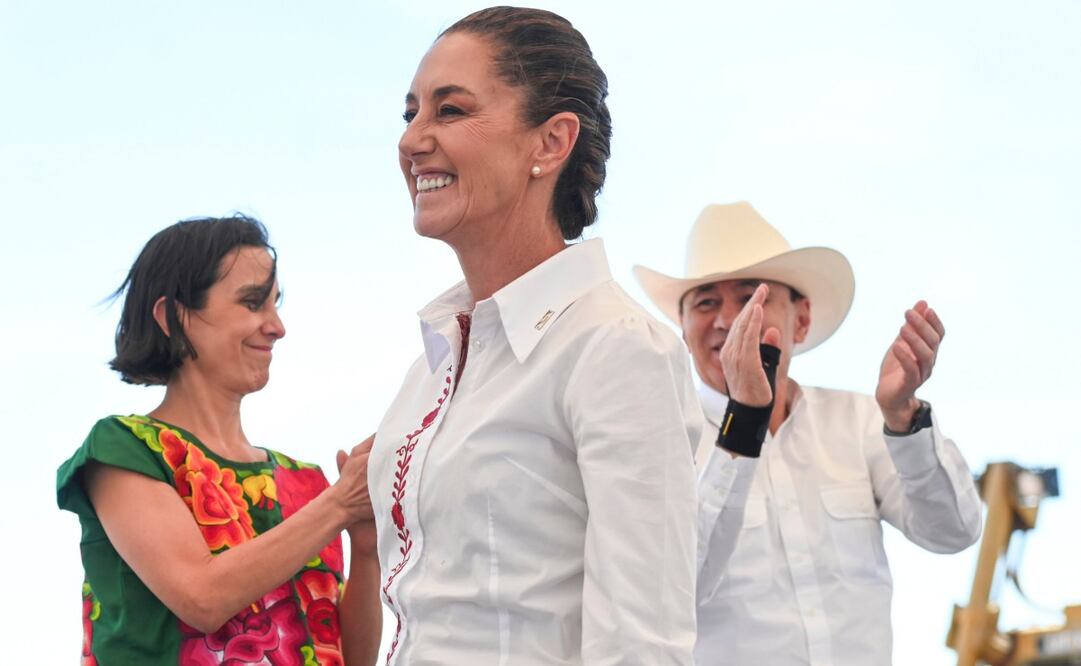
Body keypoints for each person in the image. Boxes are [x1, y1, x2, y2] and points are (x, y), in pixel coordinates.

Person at [369, 7, 705, 664]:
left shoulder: (614, 347)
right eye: (409, 114)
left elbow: (641, 642)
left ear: (550, 143)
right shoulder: (431, 368)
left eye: (450, 110)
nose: (412, 139)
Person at [633, 201, 983, 665]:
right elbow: (668, 595)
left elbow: (954, 531)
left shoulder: (859, 420)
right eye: (706, 302)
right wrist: (745, 421)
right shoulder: (661, 441)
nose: (729, 320)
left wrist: (903, 416)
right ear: (683, 329)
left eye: (751, 297)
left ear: (800, 320)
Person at [56, 215, 382, 665]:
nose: (277, 326)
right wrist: (341, 505)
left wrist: (366, 550)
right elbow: (202, 598)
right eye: (252, 303)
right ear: (174, 317)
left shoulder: (309, 484)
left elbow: (350, 659)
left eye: (274, 304)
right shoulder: (124, 448)